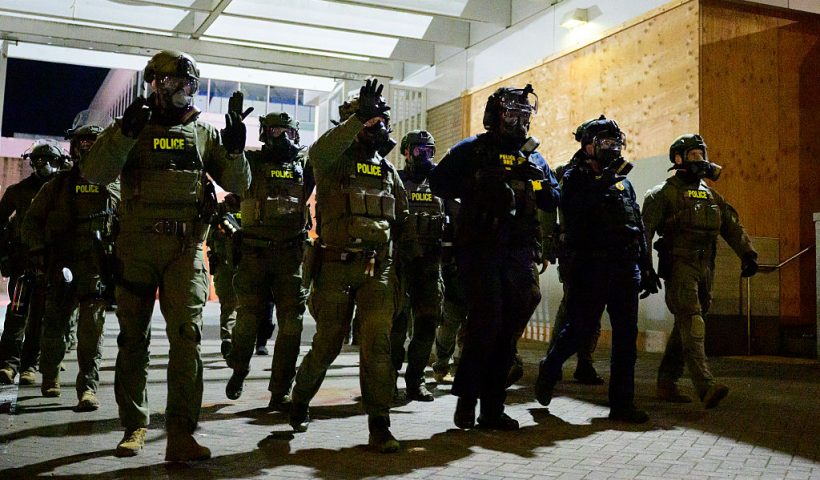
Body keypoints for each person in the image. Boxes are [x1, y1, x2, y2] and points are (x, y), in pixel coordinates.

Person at [81, 50, 251, 461]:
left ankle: (180, 434)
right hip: (136, 248)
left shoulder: (201, 131)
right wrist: (122, 132)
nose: (182, 92)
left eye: (188, 85)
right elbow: (95, 173)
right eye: (174, 83)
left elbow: (238, 184)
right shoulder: (132, 126)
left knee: (188, 340)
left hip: (185, 249)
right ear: (154, 83)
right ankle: (134, 426)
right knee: (132, 341)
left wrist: (235, 151)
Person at [429, 84, 559, 431]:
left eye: (524, 116)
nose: (519, 123)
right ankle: (467, 402)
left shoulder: (533, 156)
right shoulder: (473, 150)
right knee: (485, 325)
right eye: (512, 115)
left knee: (507, 332)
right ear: (494, 116)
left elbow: (551, 199)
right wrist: (477, 183)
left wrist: (536, 183)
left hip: (518, 252)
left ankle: (492, 408)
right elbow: (438, 182)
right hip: (480, 249)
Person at [288, 79, 407, 453]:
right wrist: (359, 118)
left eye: (381, 122)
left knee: (377, 345)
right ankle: (300, 399)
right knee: (328, 343)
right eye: (371, 122)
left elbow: (401, 219)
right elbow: (317, 154)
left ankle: (379, 424)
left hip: (377, 270)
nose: (378, 129)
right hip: (336, 266)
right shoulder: (332, 160)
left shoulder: (388, 170)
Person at [534, 115, 660, 424]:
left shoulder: (623, 181)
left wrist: (646, 266)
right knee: (579, 330)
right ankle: (549, 369)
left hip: (624, 267)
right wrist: (600, 185)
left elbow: (635, 224)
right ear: (588, 146)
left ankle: (621, 404)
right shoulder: (571, 177)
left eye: (616, 143)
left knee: (625, 339)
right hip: (589, 266)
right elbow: (573, 213)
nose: (613, 149)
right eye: (605, 143)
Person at [643, 133, 757, 409]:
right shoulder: (662, 194)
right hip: (680, 266)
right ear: (679, 159)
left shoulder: (710, 195)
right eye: (694, 155)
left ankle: (666, 383)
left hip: (707, 267)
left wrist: (748, 253)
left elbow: (732, 226)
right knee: (693, 322)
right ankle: (705, 385)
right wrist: (644, 268)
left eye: (702, 154)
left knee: (688, 325)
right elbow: (643, 235)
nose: (701, 160)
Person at [21, 124, 120, 411]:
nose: (88, 147)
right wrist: (38, 250)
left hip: (96, 270)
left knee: (92, 334)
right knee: (54, 331)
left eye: (94, 142)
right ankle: (49, 374)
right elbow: (31, 222)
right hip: (62, 267)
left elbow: (128, 224)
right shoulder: (58, 185)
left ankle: (88, 389)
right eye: (83, 143)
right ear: (74, 149)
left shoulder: (114, 185)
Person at [225, 111, 314, 412]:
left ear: (296, 134)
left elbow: (329, 157)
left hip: (290, 258)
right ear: (263, 134)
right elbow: (232, 175)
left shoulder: (305, 168)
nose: (281, 138)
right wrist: (234, 149)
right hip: (254, 255)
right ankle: (239, 370)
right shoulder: (250, 164)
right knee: (247, 322)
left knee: (292, 327)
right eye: (274, 131)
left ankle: (280, 391)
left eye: (287, 132)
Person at [543, 118, 610, 386]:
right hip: (575, 250)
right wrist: (548, 243)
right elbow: (548, 209)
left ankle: (585, 362)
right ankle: (553, 361)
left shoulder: (610, 172)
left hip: (603, 252)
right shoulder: (565, 173)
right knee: (571, 305)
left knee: (595, 308)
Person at [0, 140, 67, 385]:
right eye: (39, 160)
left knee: (40, 317)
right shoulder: (18, 192)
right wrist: (4, 256)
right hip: (23, 264)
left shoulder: (64, 191)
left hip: (51, 265)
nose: (44, 165)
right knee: (17, 314)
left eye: (50, 160)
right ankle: (8, 364)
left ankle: (29, 365)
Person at [389, 130, 444, 402]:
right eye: (419, 150)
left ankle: (416, 380)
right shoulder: (395, 179)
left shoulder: (441, 182)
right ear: (407, 152)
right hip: (400, 263)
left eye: (429, 151)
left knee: (427, 323)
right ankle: (388, 377)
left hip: (431, 265)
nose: (425, 156)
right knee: (396, 324)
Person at [206, 193, 241, 359]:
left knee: (231, 306)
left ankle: (232, 339)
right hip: (230, 265)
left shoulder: (222, 209)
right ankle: (231, 340)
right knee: (233, 305)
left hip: (232, 265)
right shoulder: (220, 211)